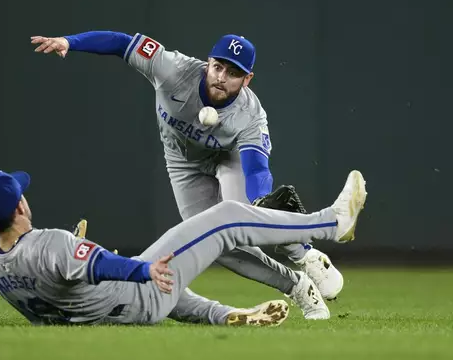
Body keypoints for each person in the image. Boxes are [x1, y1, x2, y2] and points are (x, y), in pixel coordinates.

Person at [29, 31, 345, 302]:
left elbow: (256, 170)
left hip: (227, 157)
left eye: (233, 73)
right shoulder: (172, 69)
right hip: (184, 165)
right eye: (218, 66)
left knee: (251, 214)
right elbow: (120, 43)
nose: (222, 77)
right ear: (208, 62)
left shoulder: (250, 115)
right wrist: (70, 42)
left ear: (247, 79)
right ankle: (297, 286)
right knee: (216, 243)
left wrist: (260, 202)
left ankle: (304, 254)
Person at [0, 169, 367, 325]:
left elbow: (59, 280)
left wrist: (75, 251)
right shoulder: (52, 245)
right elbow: (102, 265)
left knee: (174, 289)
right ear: (21, 205)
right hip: (139, 290)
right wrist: (143, 270)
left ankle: (227, 315)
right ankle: (332, 222)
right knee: (226, 218)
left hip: (107, 316)